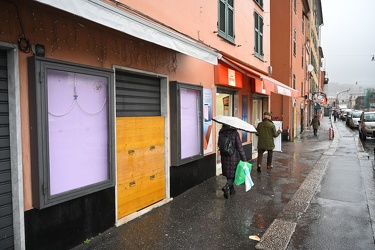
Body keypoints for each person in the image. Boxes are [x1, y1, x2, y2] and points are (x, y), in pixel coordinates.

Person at [218, 124, 247, 199]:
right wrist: (244, 159)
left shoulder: (221, 133)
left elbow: (219, 144)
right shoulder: (235, 133)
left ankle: (232, 190)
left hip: (224, 156)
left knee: (229, 173)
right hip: (233, 156)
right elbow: (239, 147)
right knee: (233, 174)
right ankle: (227, 187)